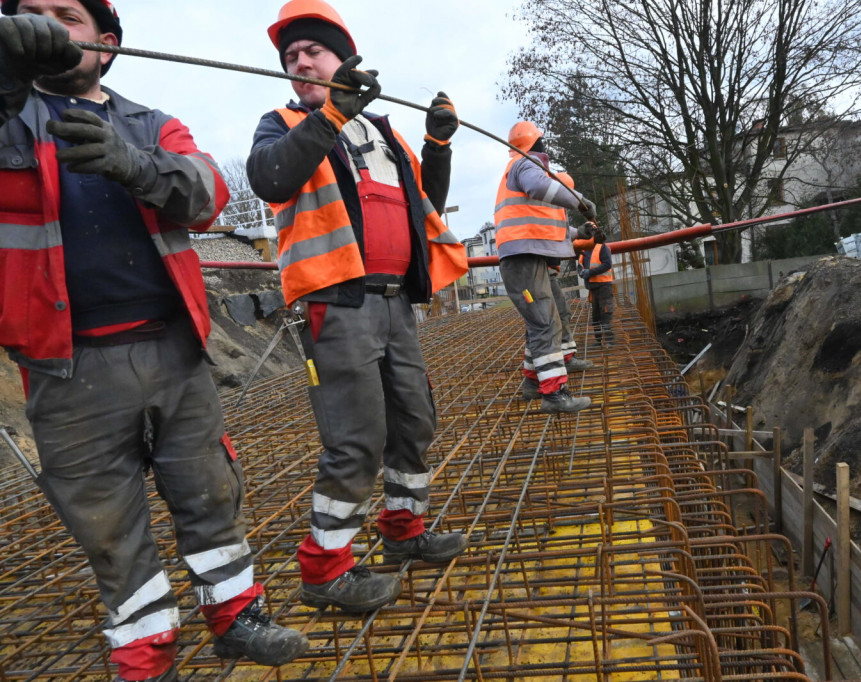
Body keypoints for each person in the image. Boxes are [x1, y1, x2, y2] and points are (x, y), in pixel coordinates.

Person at [0, 1, 308, 680]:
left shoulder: (150, 124)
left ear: (106, 44)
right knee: (107, 521)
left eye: (64, 14)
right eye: (29, 13)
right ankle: (144, 651)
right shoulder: (7, 117)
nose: (46, 24)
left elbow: (209, 194)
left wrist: (136, 165)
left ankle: (235, 614)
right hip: (66, 362)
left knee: (208, 490)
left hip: (173, 347)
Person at [247, 0, 470, 615]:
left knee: (414, 421)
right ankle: (324, 569)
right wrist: (330, 113)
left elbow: (426, 202)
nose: (299, 63)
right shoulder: (282, 123)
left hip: (396, 303)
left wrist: (438, 145)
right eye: (290, 58)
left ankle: (403, 532)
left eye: (311, 52)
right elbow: (269, 178)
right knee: (356, 439)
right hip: (336, 305)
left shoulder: (382, 133)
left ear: (344, 56)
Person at [494, 121, 597, 413]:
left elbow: (542, 224)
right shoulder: (525, 164)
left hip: (526, 259)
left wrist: (578, 232)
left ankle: (533, 384)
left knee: (541, 322)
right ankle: (554, 394)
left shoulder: (517, 169)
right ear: (535, 143)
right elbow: (539, 185)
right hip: (522, 261)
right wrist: (580, 202)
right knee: (544, 324)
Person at [579, 228, 615, 348]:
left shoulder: (602, 248)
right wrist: (582, 272)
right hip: (593, 288)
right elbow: (580, 265)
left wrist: (590, 272)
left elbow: (607, 264)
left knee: (605, 313)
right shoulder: (584, 250)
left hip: (604, 286)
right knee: (596, 316)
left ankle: (609, 341)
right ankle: (599, 341)